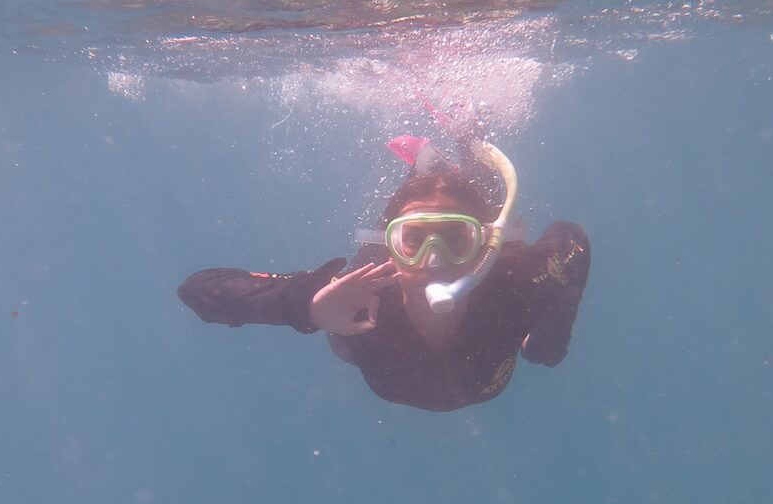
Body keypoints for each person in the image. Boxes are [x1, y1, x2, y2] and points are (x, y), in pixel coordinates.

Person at [177, 137, 589, 412]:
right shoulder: (358, 295)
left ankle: (455, 157)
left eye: (455, 238)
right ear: (392, 243)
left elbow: (573, 241)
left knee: (475, 198)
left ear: (484, 244)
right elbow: (199, 290)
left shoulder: (519, 282)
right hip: (381, 272)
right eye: (414, 239)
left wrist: (556, 326)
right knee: (419, 223)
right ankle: (428, 172)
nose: (434, 259)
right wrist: (308, 307)